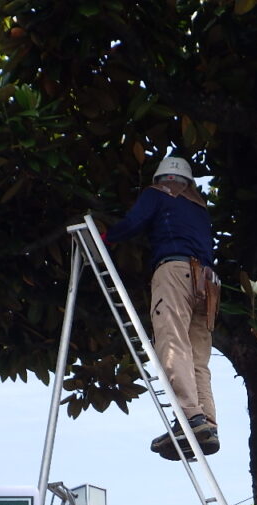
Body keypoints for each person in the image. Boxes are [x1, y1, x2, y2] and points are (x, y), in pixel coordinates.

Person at [105, 156, 220, 461]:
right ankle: (206, 421)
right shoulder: (199, 207)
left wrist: (108, 237)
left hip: (175, 271)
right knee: (198, 356)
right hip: (207, 283)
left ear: (162, 179)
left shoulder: (157, 194)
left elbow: (132, 223)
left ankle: (189, 417)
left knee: (172, 342)